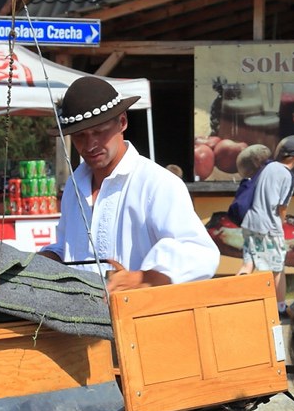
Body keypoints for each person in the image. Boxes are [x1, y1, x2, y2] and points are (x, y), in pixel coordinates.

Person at [43, 75, 218, 290]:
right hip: (79, 309)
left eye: (99, 132)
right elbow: (68, 249)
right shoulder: (74, 186)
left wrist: (143, 278)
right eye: (80, 136)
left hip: (142, 310)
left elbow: (198, 251)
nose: (90, 145)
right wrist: (44, 261)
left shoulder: (157, 183)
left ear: (122, 122)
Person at [241, 136, 294, 275]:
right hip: (269, 227)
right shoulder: (287, 176)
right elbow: (282, 207)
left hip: (250, 222)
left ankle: (235, 289)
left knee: (247, 265)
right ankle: (279, 292)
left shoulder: (268, 166)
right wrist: (281, 225)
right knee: (277, 269)